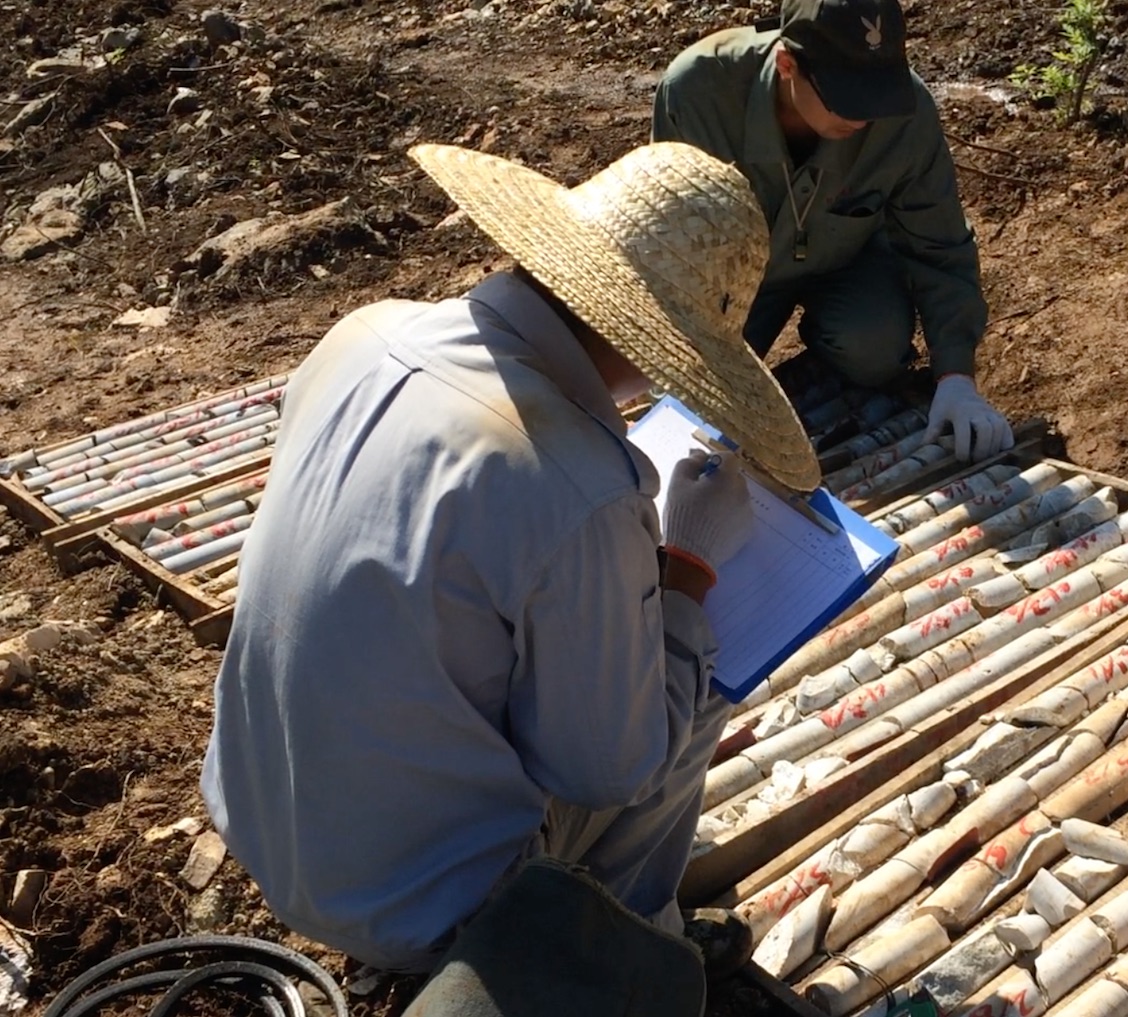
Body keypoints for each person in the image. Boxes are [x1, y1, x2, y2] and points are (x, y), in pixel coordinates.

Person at [199, 140, 822, 1010]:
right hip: (413, 903)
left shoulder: (368, 330)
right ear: (657, 341)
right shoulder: (581, 487)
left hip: (258, 810)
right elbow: (611, 766)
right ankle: (610, 948)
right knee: (692, 686)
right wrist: (683, 568)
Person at [653, 0, 1018, 463]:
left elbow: (939, 242)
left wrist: (956, 377)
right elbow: (671, 242)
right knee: (690, 402)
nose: (866, 116)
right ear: (788, 64)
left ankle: (826, 363)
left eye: (877, 93)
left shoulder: (907, 112)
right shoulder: (698, 91)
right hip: (732, 283)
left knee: (875, 348)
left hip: (849, 262)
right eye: (846, 96)